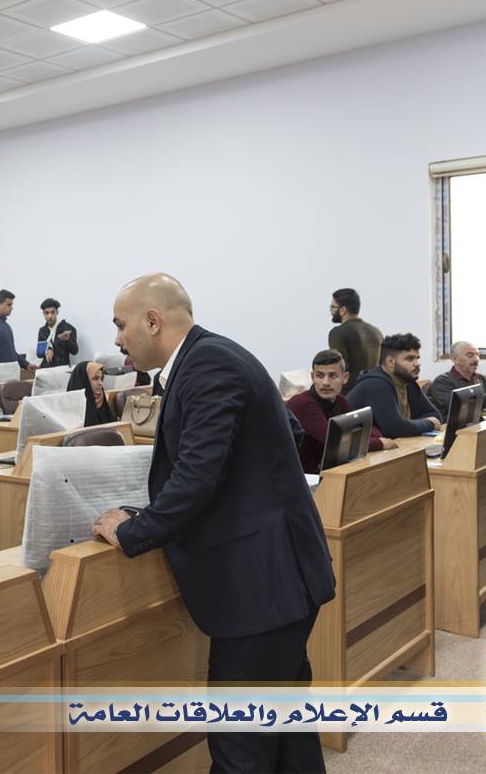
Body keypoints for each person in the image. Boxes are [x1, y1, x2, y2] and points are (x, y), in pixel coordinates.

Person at [91, 273, 334, 774]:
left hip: (261, 587)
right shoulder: (216, 354)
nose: (116, 339)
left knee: (239, 747)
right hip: (280, 578)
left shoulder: (206, 365)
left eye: (120, 325)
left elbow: (198, 476)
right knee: (287, 735)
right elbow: (281, 436)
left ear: (152, 321)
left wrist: (131, 531)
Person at [287, 349, 394, 473]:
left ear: (345, 377)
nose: (325, 383)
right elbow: (335, 443)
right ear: (312, 377)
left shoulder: (339, 401)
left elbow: (364, 430)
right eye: (320, 376)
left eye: (333, 376)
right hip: (299, 476)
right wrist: (380, 444)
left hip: (320, 472)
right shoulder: (303, 404)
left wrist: (376, 438)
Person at [347, 333, 442, 438]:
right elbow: (395, 429)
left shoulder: (408, 383)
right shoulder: (376, 385)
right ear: (390, 361)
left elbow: (435, 415)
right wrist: (429, 424)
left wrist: (410, 425)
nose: (417, 363)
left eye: (417, 358)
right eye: (410, 359)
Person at [327, 288, 382, 396]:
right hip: (376, 392)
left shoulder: (338, 332)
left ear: (343, 310)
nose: (331, 311)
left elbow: (339, 368)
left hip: (350, 395)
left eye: (333, 307)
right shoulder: (376, 332)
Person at [430, 341, 486, 415]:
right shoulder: (442, 381)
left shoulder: (484, 379)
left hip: (482, 422)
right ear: (455, 359)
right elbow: (454, 406)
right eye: (470, 355)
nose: (476, 359)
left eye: (478, 355)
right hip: (455, 423)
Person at [67, 361, 116, 426]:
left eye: (101, 379)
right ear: (84, 380)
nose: (100, 383)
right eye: (95, 378)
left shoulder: (103, 404)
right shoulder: (71, 410)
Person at [37, 297, 78, 368]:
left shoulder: (68, 328)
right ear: (43, 314)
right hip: (46, 368)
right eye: (47, 313)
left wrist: (67, 340)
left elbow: (75, 351)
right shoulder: (42, 331)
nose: (50, 316)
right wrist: (48, 349)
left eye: (52, 312)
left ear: (57, 312)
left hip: (62, 368)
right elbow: (39, 354)